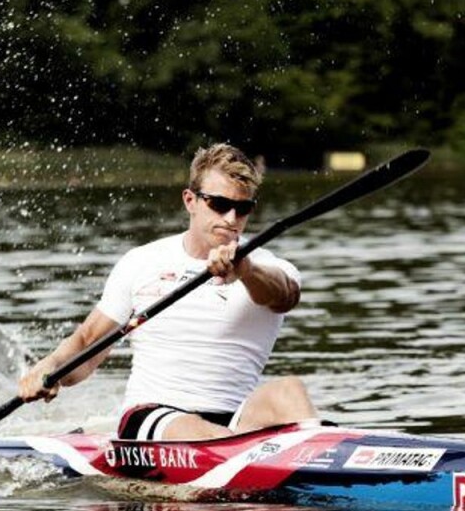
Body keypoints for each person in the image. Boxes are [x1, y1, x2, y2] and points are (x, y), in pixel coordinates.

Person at [18, 143, 318, 440]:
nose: (230, 219)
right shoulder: (142, 261)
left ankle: (321, 456)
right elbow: (88, 342)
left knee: (288, 390)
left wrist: (246, 271)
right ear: (190, 200)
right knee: (189, 427)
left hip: (234, 420)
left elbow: (284, 297)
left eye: (243, 208)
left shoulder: (266, 266)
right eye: (219, 204)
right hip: (152, 415)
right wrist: (50, 367)